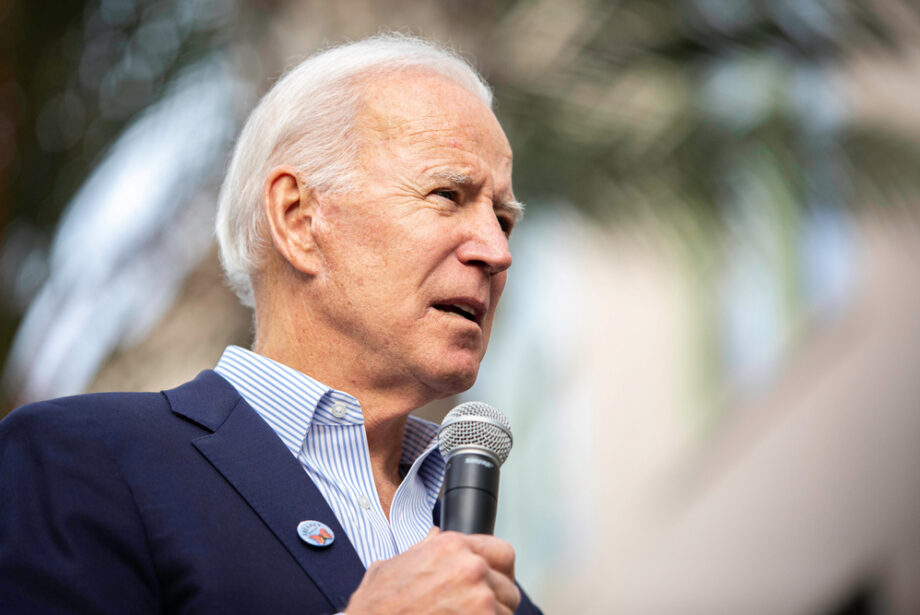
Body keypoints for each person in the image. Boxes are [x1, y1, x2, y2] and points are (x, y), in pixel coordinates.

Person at [0, 34, 542, 615]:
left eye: (504, 220)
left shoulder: (490, 586)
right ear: (299, 219)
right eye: (448, 194)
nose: (496, 250)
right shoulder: (83, 461)